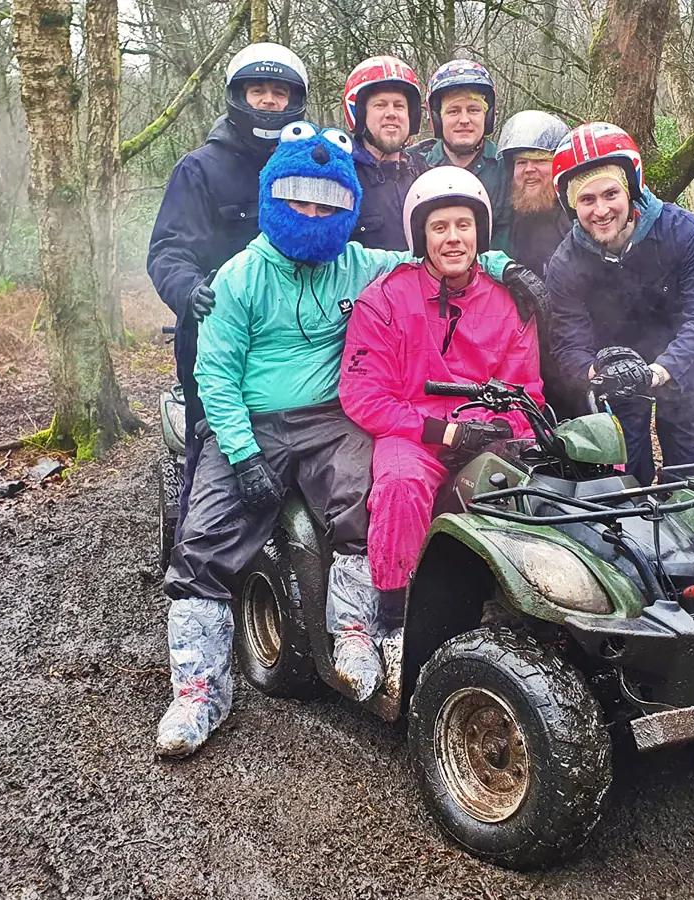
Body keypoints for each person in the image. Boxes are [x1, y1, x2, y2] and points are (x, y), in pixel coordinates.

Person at [156, 124, 549, 756]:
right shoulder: (238, 278)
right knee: (202, 544)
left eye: (329, 203)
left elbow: (437, 254)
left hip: (330, 418)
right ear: (273, 199)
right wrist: (242, 452)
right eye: (301, 201)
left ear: (347, 210)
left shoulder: (359, 264)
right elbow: (215, 376)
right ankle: (197, 691)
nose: (315, 214)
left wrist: (505, 266)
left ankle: (355, 633)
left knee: (364, 502)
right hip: (250, 421)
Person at [337, 167, 543, 692]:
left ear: (481, 232)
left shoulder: (508, 302)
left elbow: (528, 392)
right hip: (415, 434)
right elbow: (363, 394)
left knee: (536, 489)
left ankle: (530, 614)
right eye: (440, 227)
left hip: (486, 435)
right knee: (401, 488)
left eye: (464, 226)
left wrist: (499, 428)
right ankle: (394, 616)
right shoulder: (384, 299)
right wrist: (440, 431)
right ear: (420, 236)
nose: (453, 238)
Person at [147, 42, 309, 541]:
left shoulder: (308, 161)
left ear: (294, 101)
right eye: (257, 91)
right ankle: (194, 562)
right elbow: (167, 250)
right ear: (237, 97)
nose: (267, 101)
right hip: (215, 333)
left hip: (296, 336)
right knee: (214, 451)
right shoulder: (200, 169)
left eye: (278, 93)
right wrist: (189, 289)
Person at [544, 122, 694, 487]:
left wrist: (660, 370)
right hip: (615, 371)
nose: (601, 210)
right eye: (587, 199)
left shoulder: (682, 231)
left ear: (631, 189)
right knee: (623, 480)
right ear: (571, 205)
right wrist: (598, 373)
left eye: (611, 194)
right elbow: (568, 344)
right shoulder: (565, 263)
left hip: (687, 363)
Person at [412, 59, 510, 250]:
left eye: (473, 110)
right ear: (437, 119)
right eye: (453, 111)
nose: (464, 120)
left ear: (488, 117)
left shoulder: (507, 167)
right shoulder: (415, 167)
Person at [343, 55, 428, 250]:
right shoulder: (341, 176)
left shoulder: (426, 174)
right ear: (360, 114)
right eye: (380, 105)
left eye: (399, 106)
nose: (391, 113)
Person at [496, 110, 571, 276]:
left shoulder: (574, 218)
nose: (529, 169)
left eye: (540, 160)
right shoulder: (510, 215)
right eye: (521, 162)